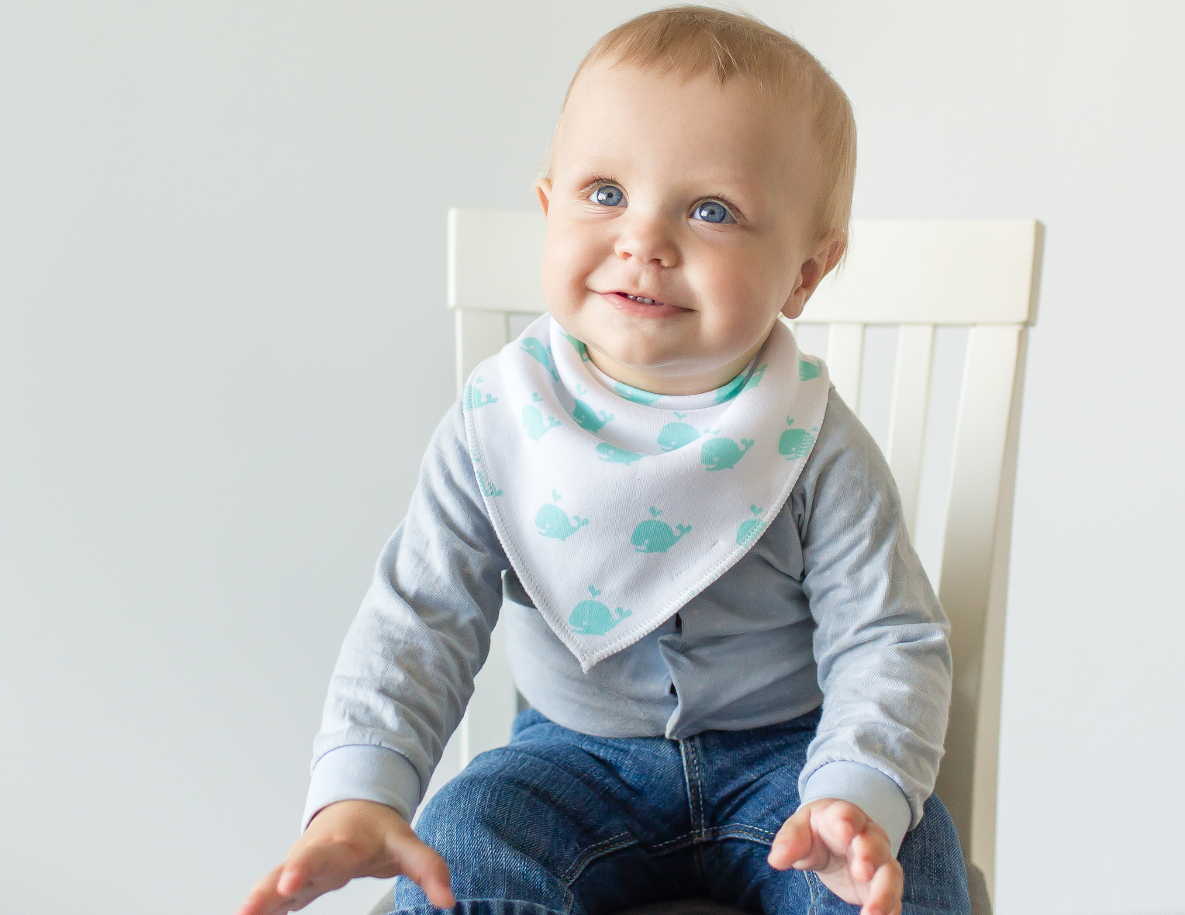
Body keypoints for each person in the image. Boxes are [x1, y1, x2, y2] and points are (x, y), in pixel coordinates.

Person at [240, 7, 970, 915]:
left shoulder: (814, 438)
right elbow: (419, 619)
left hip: (791, 759)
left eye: (712, 211)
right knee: (464, 844)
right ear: (549, 208)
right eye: (605, 193)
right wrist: (361, 789)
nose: (645, 241)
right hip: (569, 759)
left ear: (805, 275)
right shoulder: (499, 424)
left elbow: (887, 637)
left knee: (897, 866)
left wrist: (856, 793)